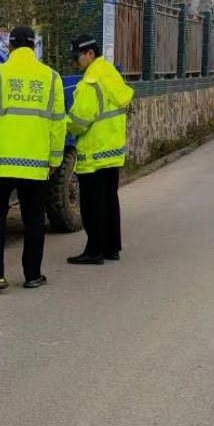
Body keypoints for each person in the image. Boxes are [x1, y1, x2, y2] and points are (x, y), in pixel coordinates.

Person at [0, 25, 66, 293]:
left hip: (0, 163)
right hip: (35, 164)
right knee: (34, 219)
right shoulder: (51, 77)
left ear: (10, 46)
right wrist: (55, 159)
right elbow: (58, 122)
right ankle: (33, 275)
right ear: (33, 47)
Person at [65, 37, 134, 265]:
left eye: (78, 57)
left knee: (92, 204)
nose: (76, 62)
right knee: (109, 200)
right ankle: (112, 248)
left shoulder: (90, 82)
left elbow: (79, 119)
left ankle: (94, 250)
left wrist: (66, 125)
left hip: (93, 152)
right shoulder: (111, 74)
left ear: (90, 54)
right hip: (112, 151)